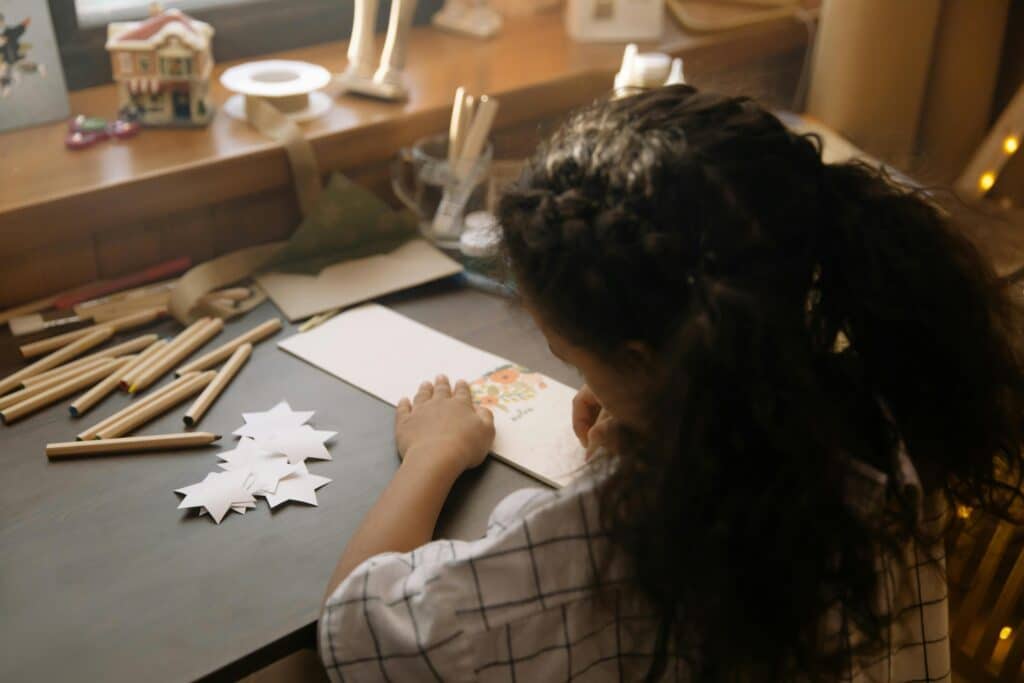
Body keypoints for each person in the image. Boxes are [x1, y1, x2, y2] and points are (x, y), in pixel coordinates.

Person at [319, 86, 1024, 681]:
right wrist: (645, 430)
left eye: (575, 357)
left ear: (640, 359)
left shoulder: (608, 543)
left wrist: (433, 454)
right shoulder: (884, 417)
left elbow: (354, 629)